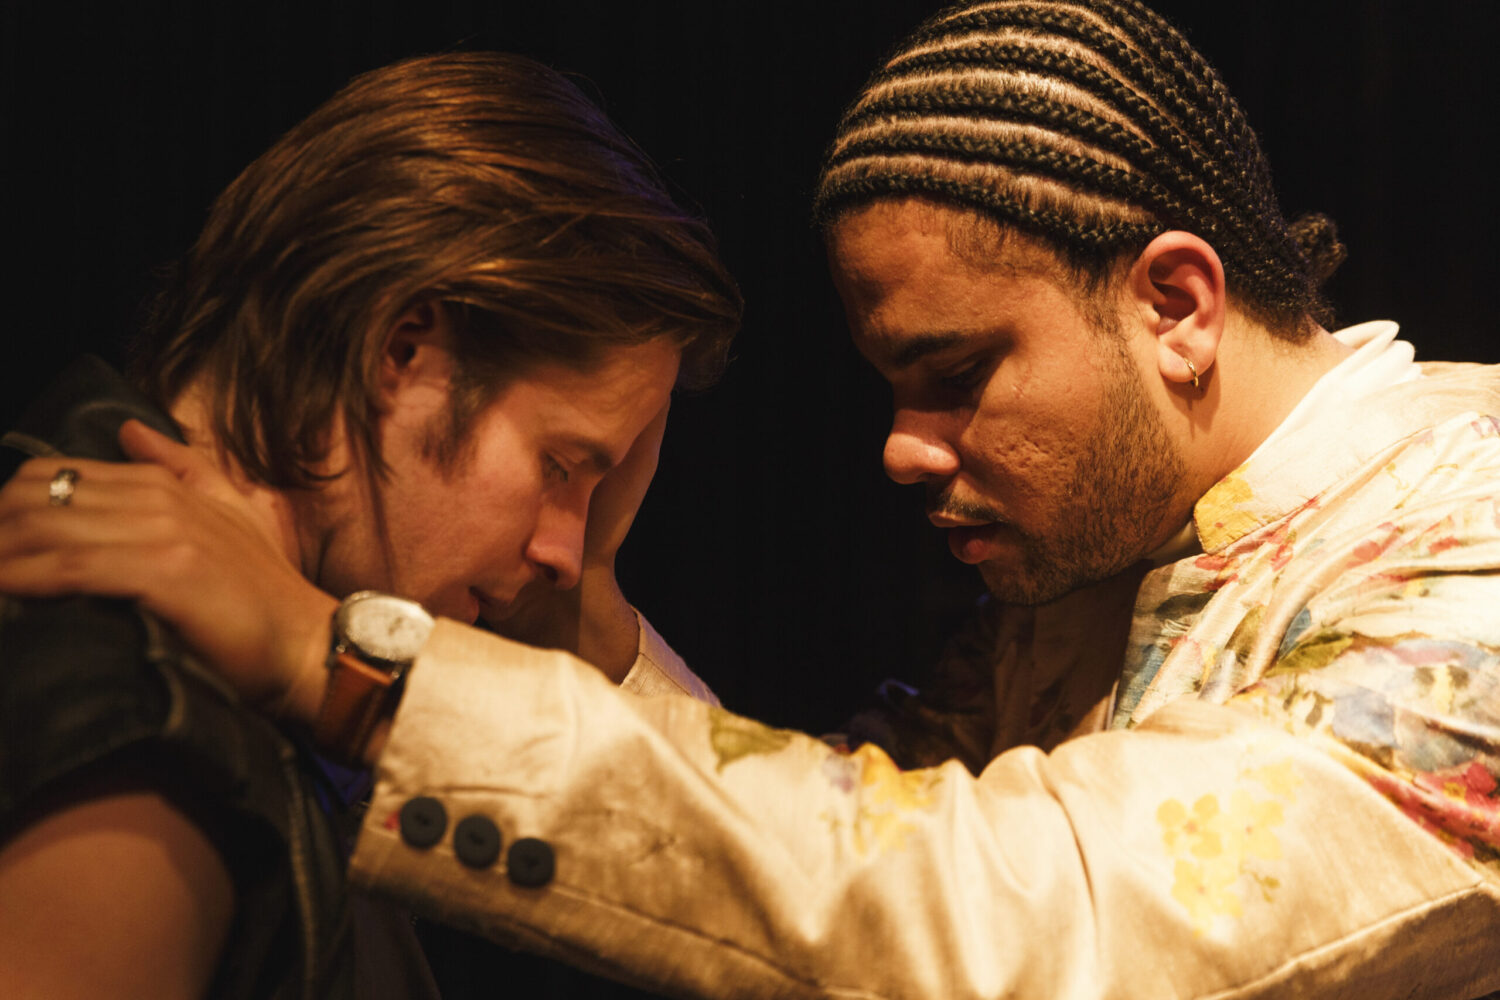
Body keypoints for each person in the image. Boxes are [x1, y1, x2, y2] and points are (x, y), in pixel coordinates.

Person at [5, 1, 1500, 998]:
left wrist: (352, 672)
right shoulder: (1109, 550)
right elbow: (838, 839)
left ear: (1175, 303)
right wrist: (587, 626)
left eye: (957, 373)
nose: (901, 450)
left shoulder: (1471, 550)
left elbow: (1032, 918)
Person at [0, 52, 738, 999]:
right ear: (401, 351)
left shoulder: (232, 677)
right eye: (559, 466)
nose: (566, 555)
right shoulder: (145, 713)